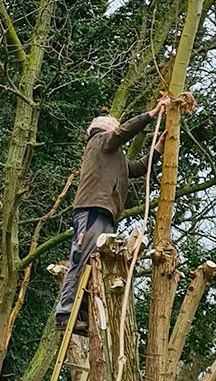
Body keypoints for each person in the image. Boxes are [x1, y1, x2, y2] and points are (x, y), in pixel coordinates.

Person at [54, 91, 196, 329]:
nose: (118, 129)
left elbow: (139, 168)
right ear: (105, 129)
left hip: (104, 212)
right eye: (115, 126)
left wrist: (158, 149)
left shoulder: (112, 157)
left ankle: (82, 315)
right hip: (92, 210)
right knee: (80, 262)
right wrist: (152, 114)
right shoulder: (99, 142)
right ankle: (65, 314)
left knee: (93, 265)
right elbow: (122, 133)